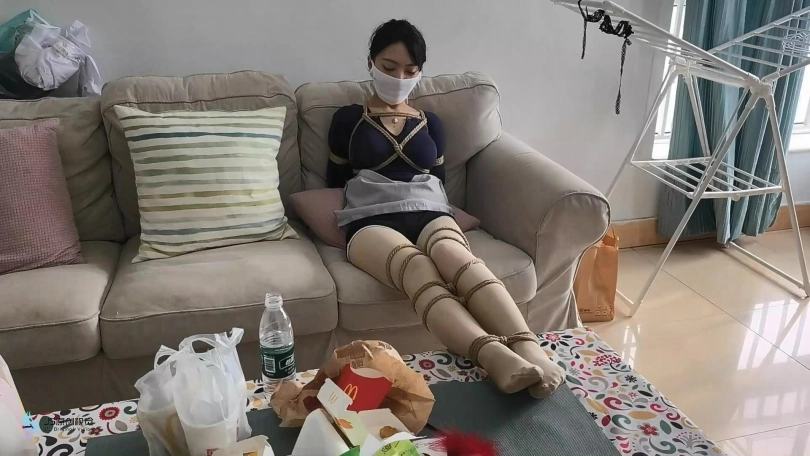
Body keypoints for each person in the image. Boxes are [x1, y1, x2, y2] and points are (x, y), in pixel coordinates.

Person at [327, 19, 564, 398]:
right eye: (389, 67)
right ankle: (494, 356)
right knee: (416, 267)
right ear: (370, 63)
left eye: (410, 71)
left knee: (457, 258)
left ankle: (528, 347)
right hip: (370, 219)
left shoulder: (431, 123)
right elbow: (335, 181)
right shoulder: (346, 119)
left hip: (429, 210)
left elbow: (437, 181)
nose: (399, 78)